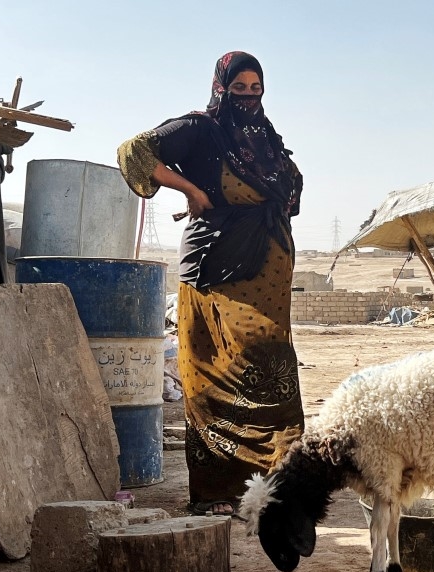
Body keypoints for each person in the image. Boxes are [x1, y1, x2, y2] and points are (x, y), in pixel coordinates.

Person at [117, 52, 305, 516]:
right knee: (217, 376)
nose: (248, 96)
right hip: (216, 270)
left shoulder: (265, 136)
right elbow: (135, 151)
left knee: (271, 373)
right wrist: (192, 190)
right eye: (238, 88)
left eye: (255, 88)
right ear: (221, 88)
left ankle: (276, 484)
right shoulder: (201, 129)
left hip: (268, 279)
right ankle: (218, 490)